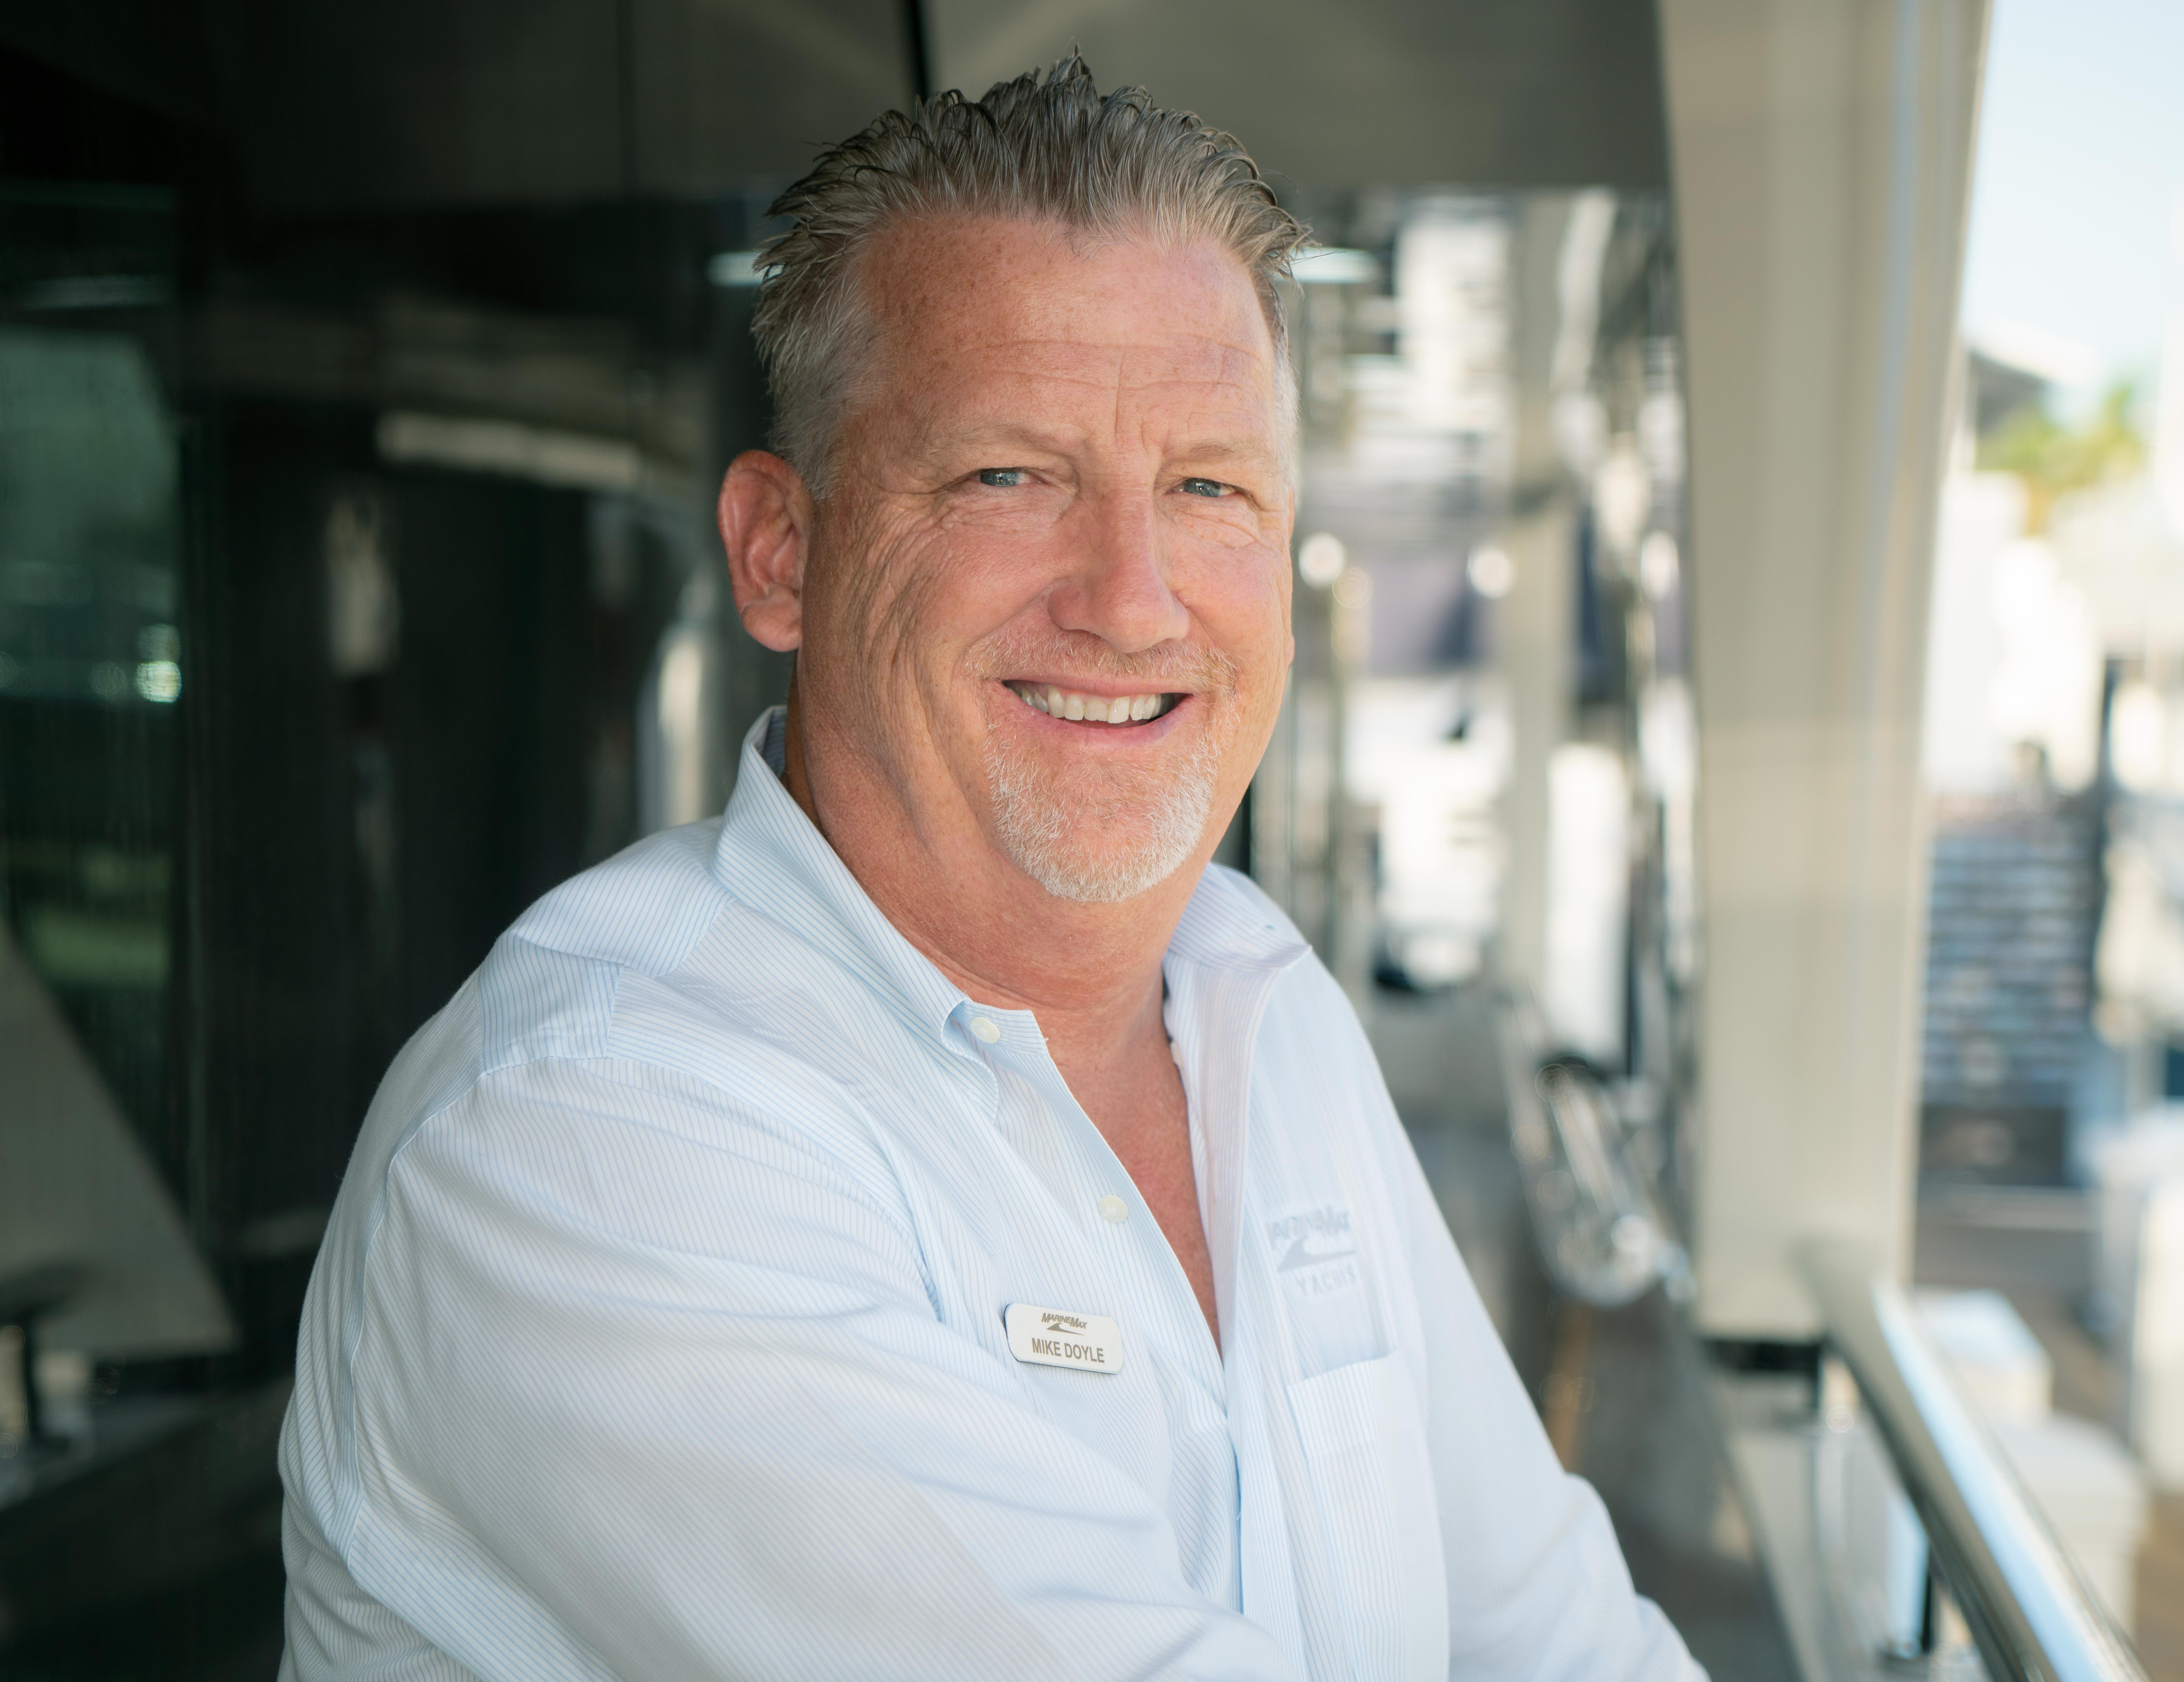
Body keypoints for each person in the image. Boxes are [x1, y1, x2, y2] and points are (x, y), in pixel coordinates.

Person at [277, 57, 1700, 1682]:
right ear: (780, 552)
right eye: (1007, 477)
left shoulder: (1258, 1002)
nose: (1134, 601)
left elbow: (1566, 1641)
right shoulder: (586, 1134)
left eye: (1209, 489)